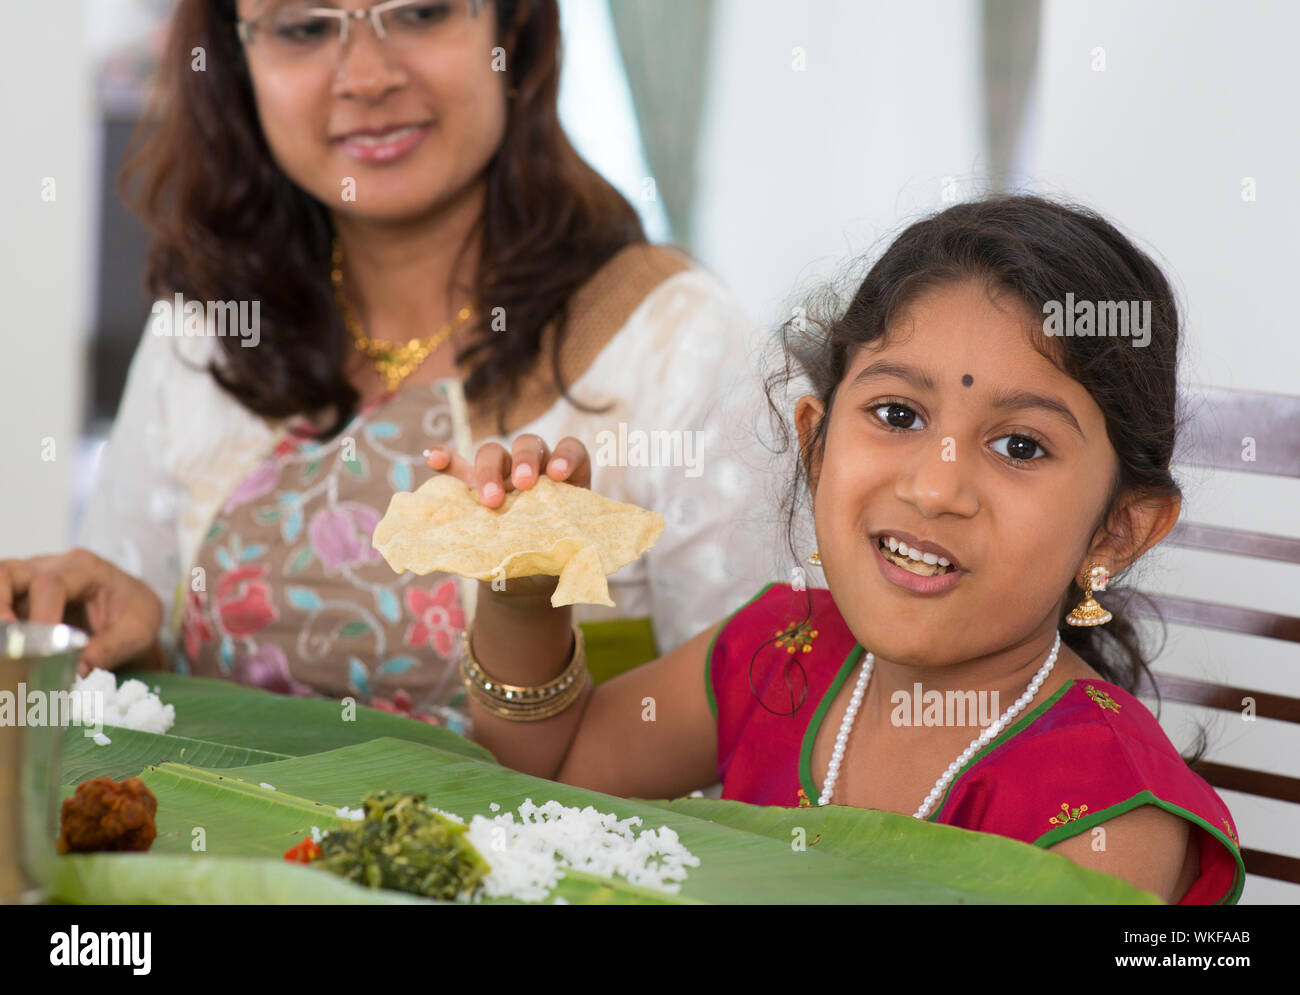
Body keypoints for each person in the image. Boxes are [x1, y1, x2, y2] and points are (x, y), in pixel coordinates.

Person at [427, 195, 1245, 904]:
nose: (935, 487)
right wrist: (524, 592)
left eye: (1020, 446)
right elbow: (545, 781)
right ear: (816, 446)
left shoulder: (1108, 809)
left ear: (1116, 530)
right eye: (897, 415)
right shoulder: (785, 648)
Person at [0, 0, 774, 733]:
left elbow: (771, 727)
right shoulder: (206, 329)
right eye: (304, 27)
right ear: (236, 62)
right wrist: (135, 657)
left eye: (421, 11)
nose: (366, 76)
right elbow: (138, 679)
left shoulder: (678, 340)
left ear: (516, 28)